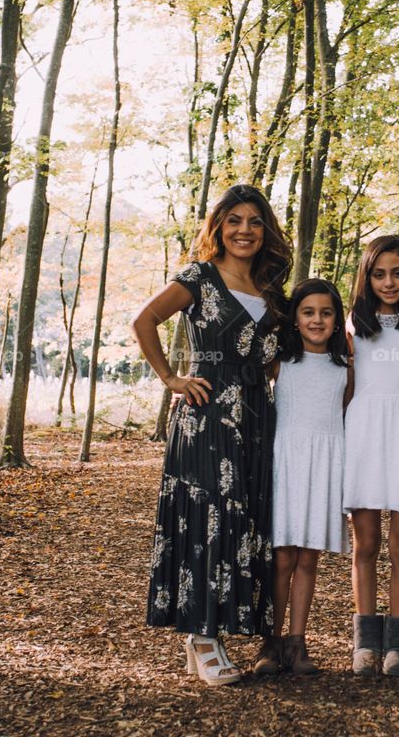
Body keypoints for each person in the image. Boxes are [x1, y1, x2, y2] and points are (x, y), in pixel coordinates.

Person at [132, 183, 292, 686]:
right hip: (205, 414)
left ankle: (211, 631)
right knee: (208, 520)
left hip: (256, 417)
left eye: (254, 221)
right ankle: (203, 637)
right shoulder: (199, 277)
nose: (244, 230)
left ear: (265, 230)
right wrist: (171, 378)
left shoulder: (270, 289)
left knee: (242, 522)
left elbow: (270, 362)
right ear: (219, 227)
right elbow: (145, 320)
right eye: (234, 220)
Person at [343, 236, 399, 678]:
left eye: (397, 272)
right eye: (379, 274)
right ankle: (365, 644)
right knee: (366, 545)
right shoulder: (353, 325)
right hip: (362, 437)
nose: (388, 282)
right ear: (366, 277)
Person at [270, 278, 350, 674]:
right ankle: (270, 641)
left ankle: (297, 643)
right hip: (286, 463)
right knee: (282, 557)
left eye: (326, 312)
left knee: (308, 559)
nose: (317, 320)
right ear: (295, 319)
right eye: (308, 312)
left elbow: (346, 416)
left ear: (337, 320)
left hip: (325, 465)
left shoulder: (344, 368)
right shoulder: (280, 362)